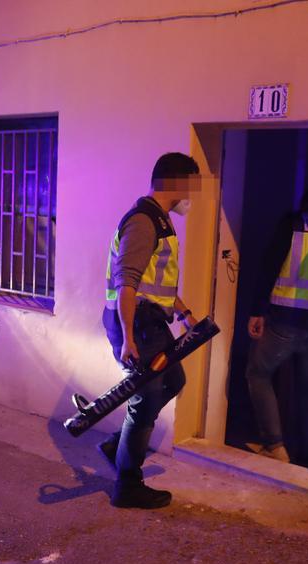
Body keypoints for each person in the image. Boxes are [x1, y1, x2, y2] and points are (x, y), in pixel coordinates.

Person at [97, 152, 201, 509]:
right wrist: (127, 337)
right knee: (145, 397)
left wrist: (182, 310)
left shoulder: (159, 221)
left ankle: (117, 445)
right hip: (137, 323)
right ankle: (127, 485)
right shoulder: (144, 221)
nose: (194, 196)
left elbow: (155, 283)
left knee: (173, 382)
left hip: (150, 320)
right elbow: (127, 283)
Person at [245, 186, 308, 469]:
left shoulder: (293, 223)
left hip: (286, 320)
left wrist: (257, 310)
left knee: (258, 373)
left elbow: (269, 265)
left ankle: (275, 446)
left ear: (304, 204)